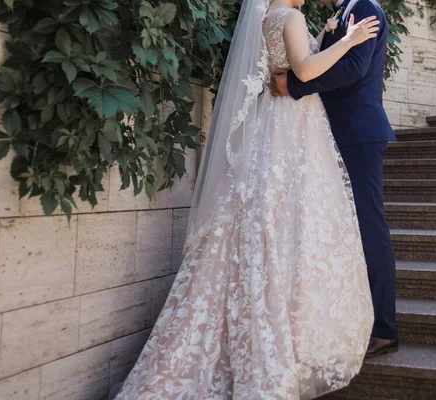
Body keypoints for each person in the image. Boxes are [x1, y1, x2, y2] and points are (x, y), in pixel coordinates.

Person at [113, 0, 379, 398]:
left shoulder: (265, 17)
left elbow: (288, 61)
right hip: (291, 127)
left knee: (259, 218)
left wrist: (322, 37)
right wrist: (350, 40)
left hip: (270, 124)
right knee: (283, 225)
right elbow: (304, 70)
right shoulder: (290, 17)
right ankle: (279, 337)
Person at [269, 0, 399, 358]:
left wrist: (295, 84)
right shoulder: (342, 15)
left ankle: (385, 328)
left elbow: (354, 69)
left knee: (370, 227)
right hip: (337, 135)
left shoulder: (366, 8)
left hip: (359, 133)